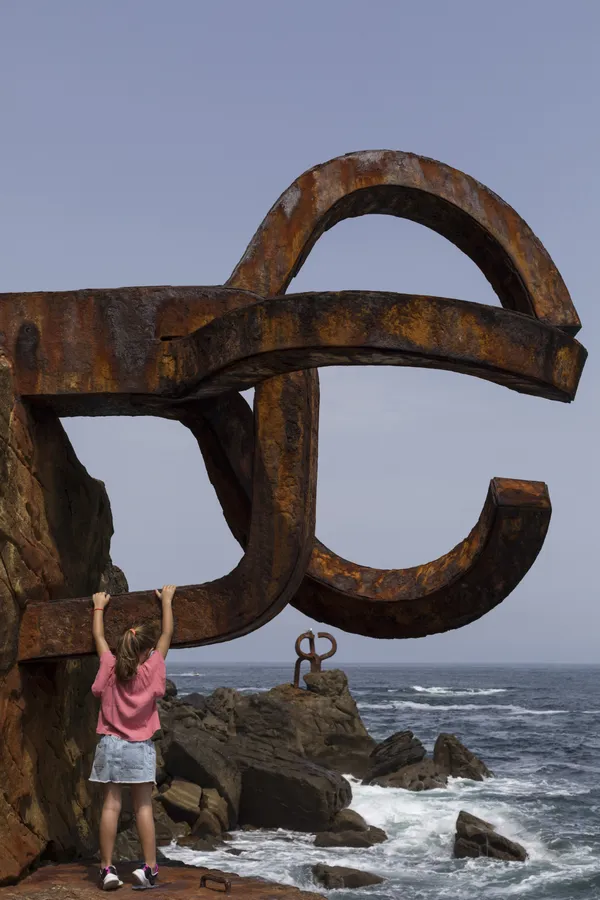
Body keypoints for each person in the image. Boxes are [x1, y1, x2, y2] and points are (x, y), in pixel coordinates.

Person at [89, 584, 176, 891]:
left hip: (110, 745)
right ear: (144, 652)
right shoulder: (151, 669)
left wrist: (99, 607)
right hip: (139, 746)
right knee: (142, 808)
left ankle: (107, 869)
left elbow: (99, 638)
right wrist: (166, 602)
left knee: (110, 806)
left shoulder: (110, 667)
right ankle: (148, 868)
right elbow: (166, 636)